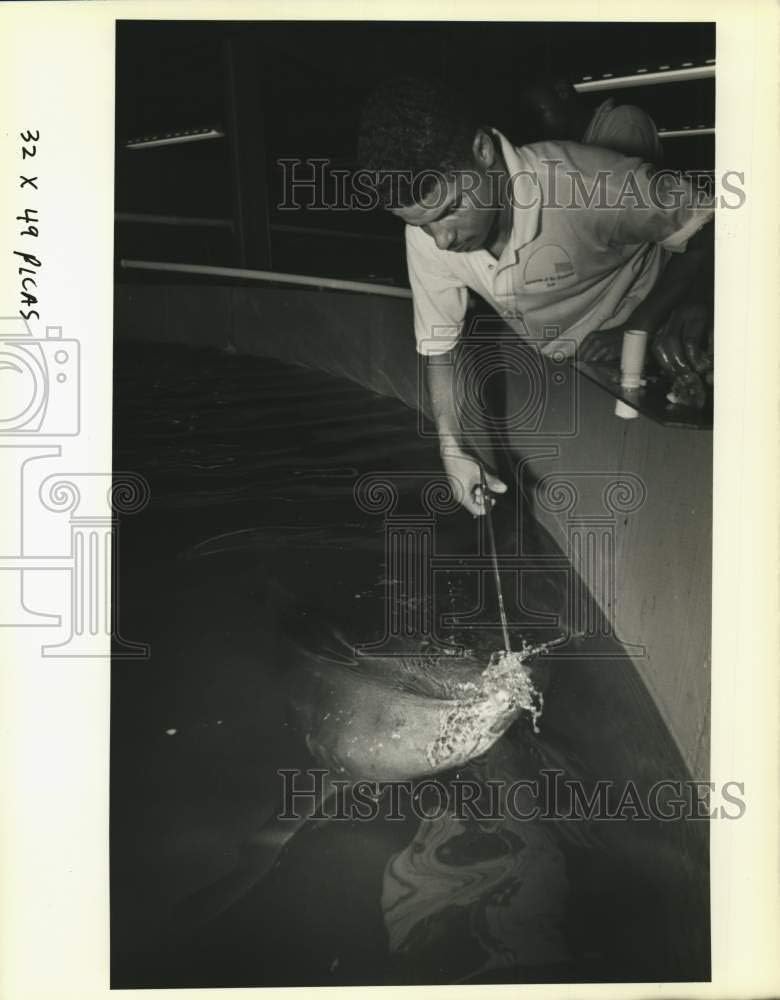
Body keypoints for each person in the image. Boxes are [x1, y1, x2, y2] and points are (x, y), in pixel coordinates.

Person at [357, 76, 714, 516]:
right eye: (422, 224)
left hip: (658, 321)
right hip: (573, 355)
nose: (442, 240)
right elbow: (439, 346)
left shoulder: (586, 182)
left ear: (482, 150)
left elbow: (713, 224)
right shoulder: (428, 237)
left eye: (450, 210)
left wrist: (650, 320)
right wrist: (451, 449)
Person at [517, 75, 664, 165]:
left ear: (562, 92)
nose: (536, 127)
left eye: (540, 113)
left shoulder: (625, 122)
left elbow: (622, 198)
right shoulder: (576, 146)